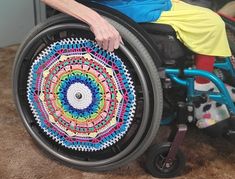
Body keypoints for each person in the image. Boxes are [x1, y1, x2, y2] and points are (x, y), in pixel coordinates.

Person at [41, 0, 234, 129]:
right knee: (212, 22)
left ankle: (205, 84)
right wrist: (96, 21)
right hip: (125, 9)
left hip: (139, 3)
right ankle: (201, 95)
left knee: (208, 14)